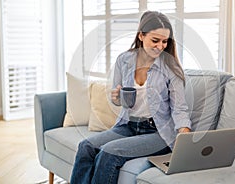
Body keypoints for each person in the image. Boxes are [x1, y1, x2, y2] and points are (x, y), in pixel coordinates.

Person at [70, 11, 191, 184]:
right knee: (86, 147)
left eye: (165, 41)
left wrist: (184, 133)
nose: (161, 46)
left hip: (157, 132)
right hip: (127, 125)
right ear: (141, 35)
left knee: (108, 153)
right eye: (155, 40)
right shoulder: (124, 60)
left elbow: (179, 108)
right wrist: (116, 98)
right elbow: (118, 99)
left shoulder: (170, 68)